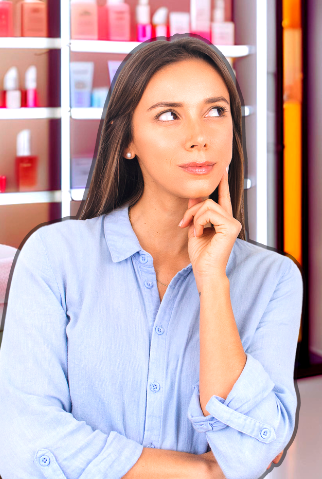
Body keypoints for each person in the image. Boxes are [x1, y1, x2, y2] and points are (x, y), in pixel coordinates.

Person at [0, 36, 302, 479]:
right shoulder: (55, 257)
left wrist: (213, 284)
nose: (199, 137)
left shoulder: (274, 279)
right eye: (169, 115)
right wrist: (203, 472)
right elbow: (25, 443)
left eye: (215, 111)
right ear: (128, 141)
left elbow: (257, 449)